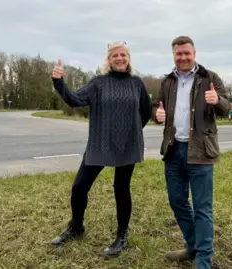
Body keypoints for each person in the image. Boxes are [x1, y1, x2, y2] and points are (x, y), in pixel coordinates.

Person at [49, 41, 151, 258]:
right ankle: (77, 227)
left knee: (121, 189)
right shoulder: (98, 83)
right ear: (109, 59)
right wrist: (58, 81)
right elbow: (74, 99)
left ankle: (122, 235)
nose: (120, 58)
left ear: (129, 58)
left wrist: (130, 132)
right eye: (115, 55)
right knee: (79, 186)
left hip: (127, 145)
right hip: (100, 142)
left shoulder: (137, 84)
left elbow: (145, 111)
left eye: (123, 54)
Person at [152, 36, 230, 268]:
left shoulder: (210, 78)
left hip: (201, 152)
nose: (183, 57)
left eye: (187, 53)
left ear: (194, 53)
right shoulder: (167, 82)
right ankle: (193, 246)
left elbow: (226, 106)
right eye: (179, 54)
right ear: (173, 55)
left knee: (202, 208)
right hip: (174, 150)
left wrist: (217, 100)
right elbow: (158, 107)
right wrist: (156, 114)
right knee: (177, 201)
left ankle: (204, 260)